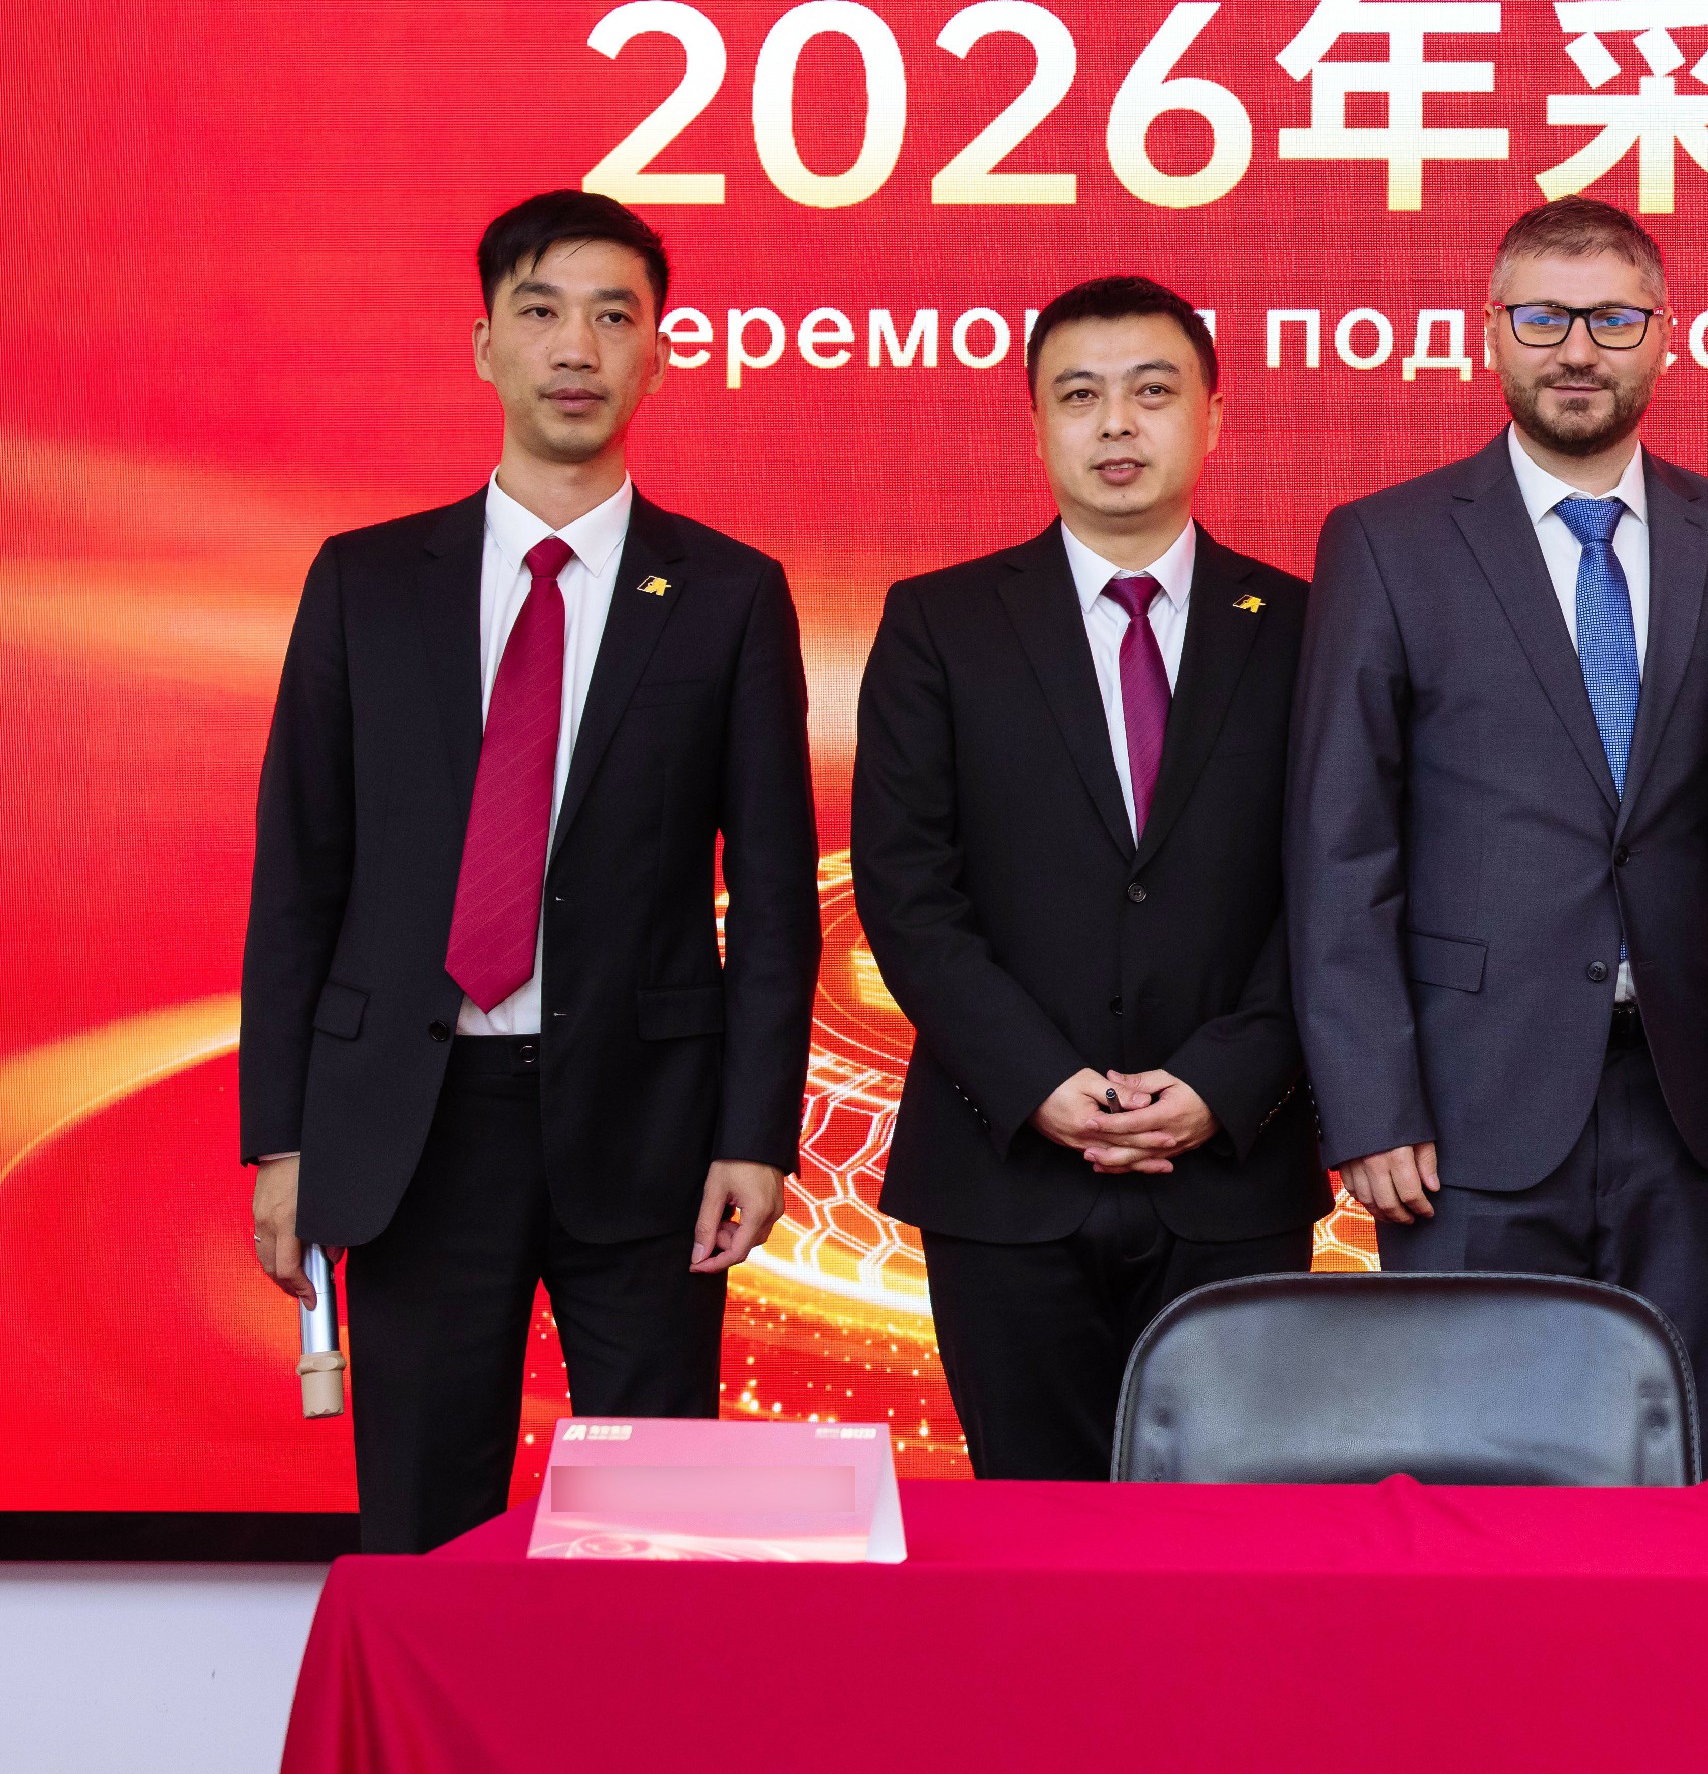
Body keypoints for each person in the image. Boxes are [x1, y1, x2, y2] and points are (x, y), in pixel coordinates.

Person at [238, 192, 819, 1552]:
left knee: (656, 1532)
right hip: (417, 1123)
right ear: (485, 344)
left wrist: (752, 1133)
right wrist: (282, 1136)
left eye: (615, 316)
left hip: (649, 1127)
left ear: (659, 353)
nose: (577, 347)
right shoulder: (367, 582)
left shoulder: (728, 594)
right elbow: (299, 874)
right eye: (542, 310)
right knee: (424, 1524)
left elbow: (775, 898)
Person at [1293, 201, 1708, 1479]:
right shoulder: (1387, 541)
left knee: (1689, 1471)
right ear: (1490, 333)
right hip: (1465, 1114)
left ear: (1666, 335)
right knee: (1475, 1484)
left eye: (1614, 319)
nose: (1578, 349)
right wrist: (1369, 1102)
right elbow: (1340, 847)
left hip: (1692, 1102)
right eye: (1544, 318)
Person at [856, 275, 1326, 1482]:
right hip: (1005, 1171)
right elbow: (907, 888)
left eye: (1151, 391)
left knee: (1230, 1541)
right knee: (1034, 1540)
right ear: (1037, 425)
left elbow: (1334, 885)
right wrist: (1038, 1082)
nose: (1116, 423)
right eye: (1079, 396)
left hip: (1234, 1168)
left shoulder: (1306, 629)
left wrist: (1227, 1079)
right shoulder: (939, 624)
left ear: (1213, 418)